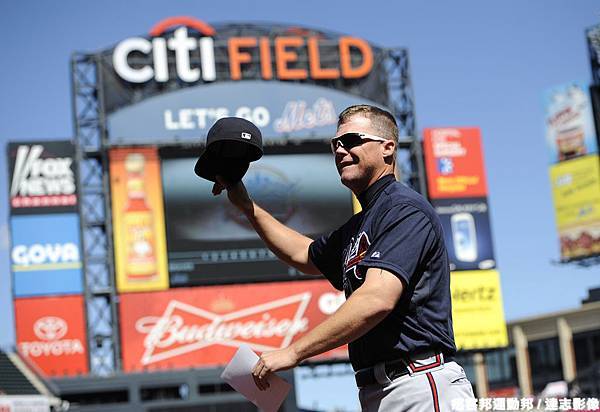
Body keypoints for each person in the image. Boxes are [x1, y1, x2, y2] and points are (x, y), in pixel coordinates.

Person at [212, 104, 475, 411]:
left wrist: (293, 352)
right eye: (335, 144)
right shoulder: (361, 223)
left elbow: (376, 299)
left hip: (418, 382)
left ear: (388, 148)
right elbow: (304, 254)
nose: (339, 150)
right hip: (380, 390)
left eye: (351, 140)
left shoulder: (405, 210)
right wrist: (249, 208)